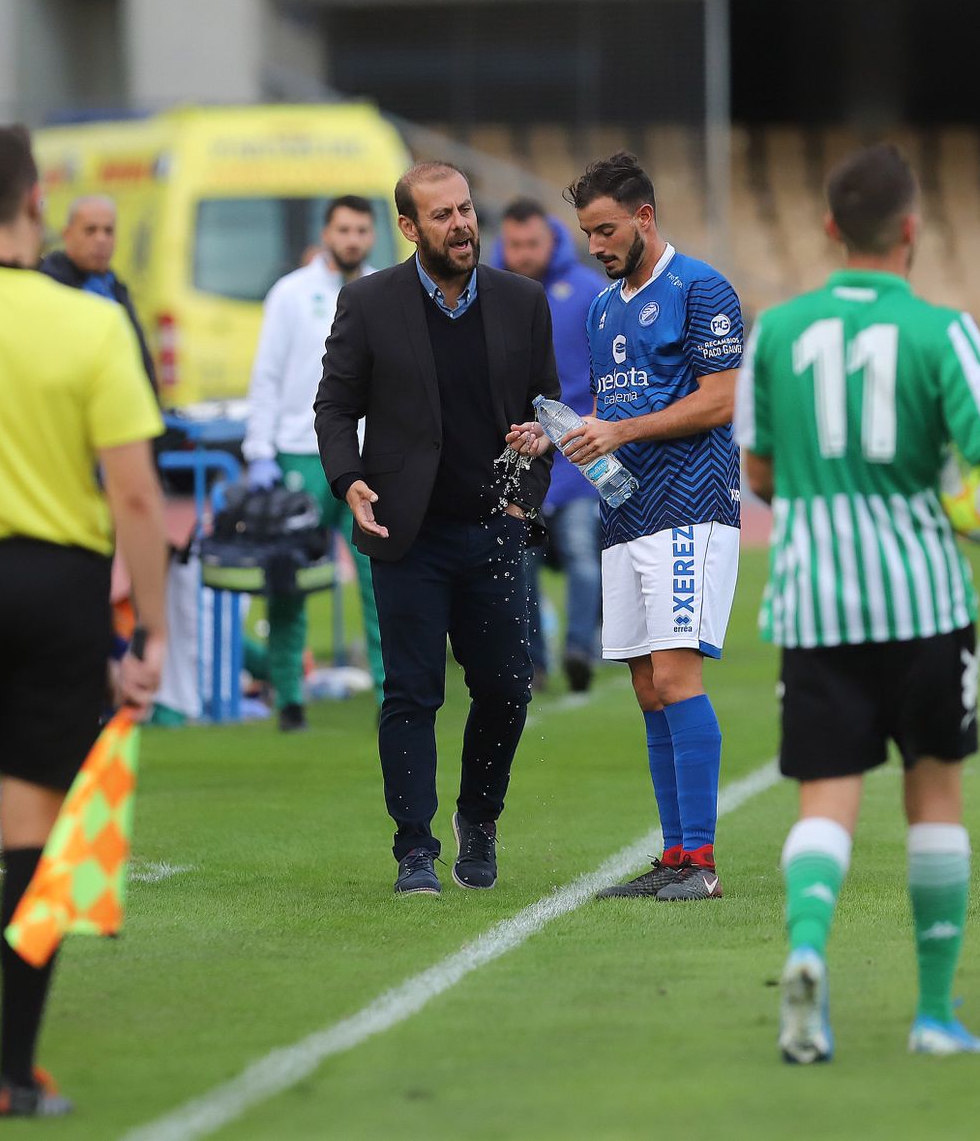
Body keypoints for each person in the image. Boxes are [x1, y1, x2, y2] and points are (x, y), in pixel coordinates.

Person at [736, 143, 980, 1062]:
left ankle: (807, 951)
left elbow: (759, 467)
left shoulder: (774, 330)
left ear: (828, 228)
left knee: (824, 799)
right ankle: (933, 1015)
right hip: (923, 599)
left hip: (813, 601)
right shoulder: (941, 330)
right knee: (934, 798)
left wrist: (822, 501)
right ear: (912, 229)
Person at [315, 162, 560, 897]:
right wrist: (347, 476)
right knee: (412, 692)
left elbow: (546, 408)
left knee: (507, 690)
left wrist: (529, 493)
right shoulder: (368, 302)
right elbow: (333, 407)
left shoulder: (522, 300)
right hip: (406, 532)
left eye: (465, 210)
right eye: (443, 215)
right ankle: (414, 846)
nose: (462, 225)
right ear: (410, 227)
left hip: (495, 527)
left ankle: (478, 818)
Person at [520, 153, 744, 902]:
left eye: (608, 229)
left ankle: (702, 863)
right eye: (588, 233)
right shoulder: (602, 307)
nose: (597, 245)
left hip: (692, 506)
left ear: (645, 218)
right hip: (625, 510)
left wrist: (620, 431)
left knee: (678, 675)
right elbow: (610, 413)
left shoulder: (702, 288)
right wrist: (559, 435)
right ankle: (674, 857)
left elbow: (718, 402)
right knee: (648, 687)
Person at [0, 125, 167, 1117]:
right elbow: (138, 501)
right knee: (33, 832)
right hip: (52, 589)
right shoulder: (90, 323)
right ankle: (14, 1074)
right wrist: (147, 638)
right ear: (35, 204)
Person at [243, 195, 385, 732]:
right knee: (290, 582)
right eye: (343, 229)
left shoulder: (384, 290)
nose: (352, 239)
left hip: (367, 455)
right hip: (299, 454)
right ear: (327, 233)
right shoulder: (290, 293)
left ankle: (387, 694)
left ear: (373, 235)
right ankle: (289, 696)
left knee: (378, 581)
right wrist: (260, 452)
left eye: (361, 230)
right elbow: (268, 375)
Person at [493, 197, 606, 694]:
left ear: (552, 239)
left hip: (578, 448)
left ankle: (580, 647)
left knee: (584, 554)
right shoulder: (488, 292)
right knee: (521, 561)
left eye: (531, 243)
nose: (522, 253)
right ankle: (533, 663)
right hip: (518, 454)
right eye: (514, 244)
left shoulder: (587, 292)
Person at [38, 195, 159, 402]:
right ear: (67, 234)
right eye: (90, 230)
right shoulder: (50, 287)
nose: (101, 239)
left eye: (108, 231)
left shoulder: (115, 287)